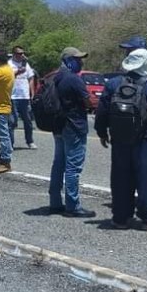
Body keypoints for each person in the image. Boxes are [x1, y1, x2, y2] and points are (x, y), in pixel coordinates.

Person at [94, 49, 147, 230]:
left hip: (119, 139)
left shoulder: (113, 84)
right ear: (146, 64)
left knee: (121, 178)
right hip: (146, 138)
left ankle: (120, 219)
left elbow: (101, 112)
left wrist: (102, 133)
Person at [49, 47, 95, 217]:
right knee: (73, 167)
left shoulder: (54, 76)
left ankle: (55, 202)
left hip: (58, 125)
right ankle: (72, 205)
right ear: (69, 60)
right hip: (74, 126)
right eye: (78, 59)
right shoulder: (73, 79)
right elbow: (88, 101)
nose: (81, 62)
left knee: (58, 164)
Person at [9, 46, 37, 149]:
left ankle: (29, 141)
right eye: (18, 53)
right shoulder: (9, 64)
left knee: (28, 120)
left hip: (24, 96)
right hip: (13, 96)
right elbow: (7, 75)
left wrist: (32, 92)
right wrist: (17, 72)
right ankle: (10, 143)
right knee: (13, 121)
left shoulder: (26, 65)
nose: (21, 55)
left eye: (22, 53)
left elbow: (31, 78)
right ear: (14, 54)